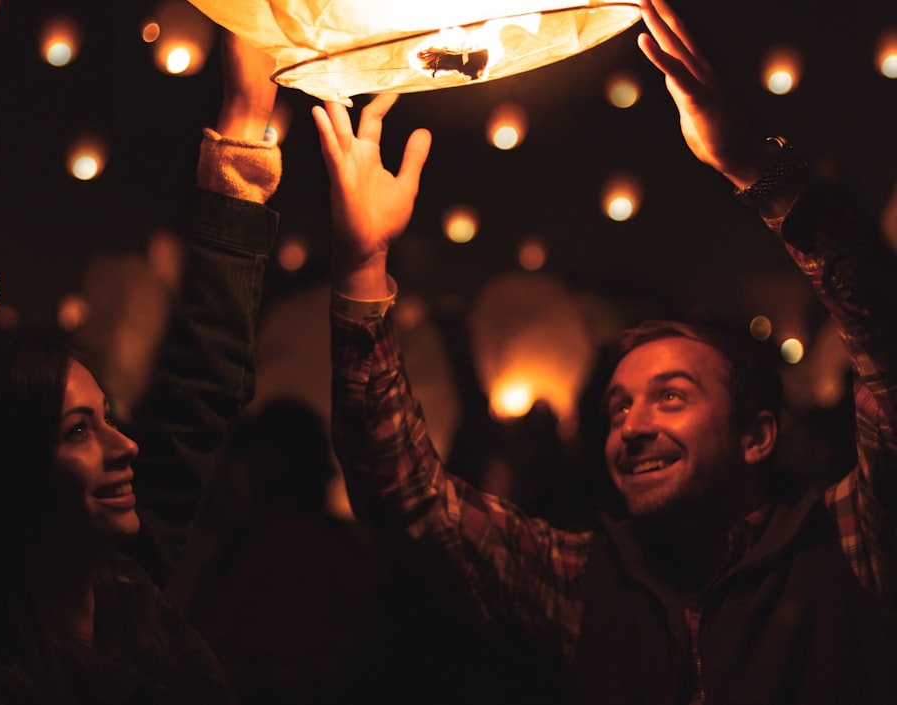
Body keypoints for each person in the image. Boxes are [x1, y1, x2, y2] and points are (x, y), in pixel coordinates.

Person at [312, 0, 897, 702]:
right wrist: (361, 265)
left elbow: (886, 341)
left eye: (670, 396)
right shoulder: (580, 581)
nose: (633, 426)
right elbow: (403, 497)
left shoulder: (849, 544)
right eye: (618, 407)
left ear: (758, 434)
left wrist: (759, 169)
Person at [0, 31, 280, 704]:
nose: (126, 444)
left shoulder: (120, 593)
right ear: (4, 467)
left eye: (106, 417)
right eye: (79, 429)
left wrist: (243, 141)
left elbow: (199, 391)